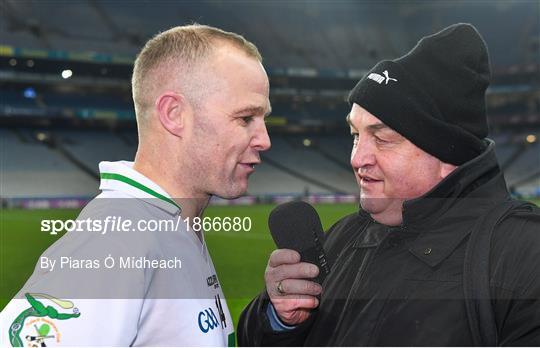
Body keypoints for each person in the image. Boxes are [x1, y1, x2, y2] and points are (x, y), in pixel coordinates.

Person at [238, 23, 540, 346]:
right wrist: (279, 320)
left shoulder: (523, 256)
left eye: (382, 139)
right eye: (356, 135)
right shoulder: (342, 238)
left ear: (445, 155)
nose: (357, 158)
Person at [1, 24, 271, 346]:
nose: (265, 140)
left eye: (263, 119)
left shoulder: (168, 225)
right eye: (245, 119)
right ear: (174, 114)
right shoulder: (115, 242)